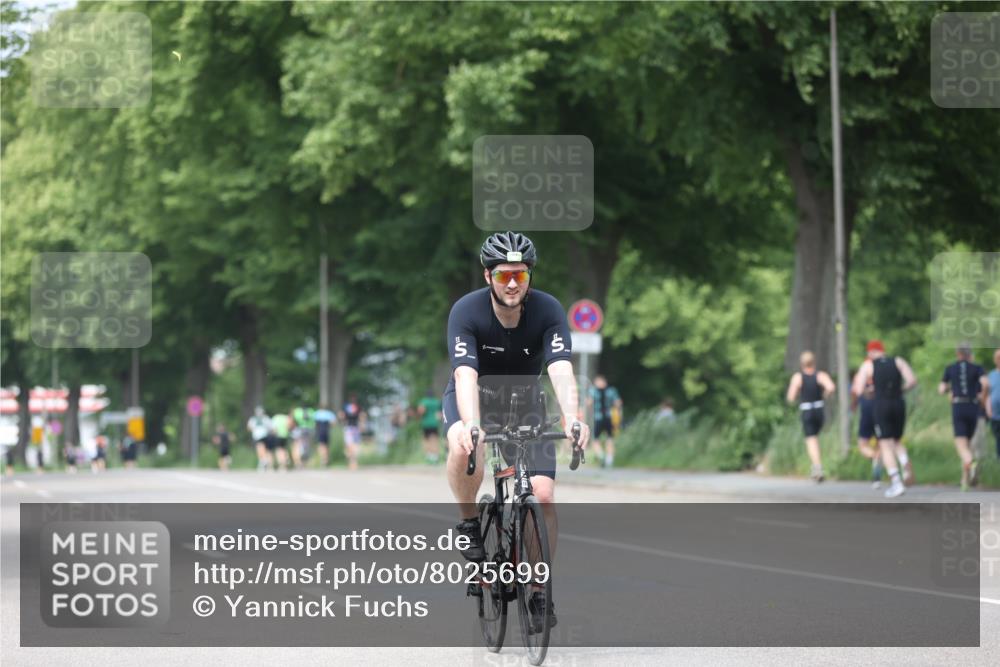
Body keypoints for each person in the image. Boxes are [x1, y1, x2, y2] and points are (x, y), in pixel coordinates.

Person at [444, 231, 591, 634]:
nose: (512, 283)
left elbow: (561, 369)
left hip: (525, 402)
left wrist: (573, 418)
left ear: (530, 278)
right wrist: (472, 426)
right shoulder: (467, 311)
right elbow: (464, 374)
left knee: (541, 494)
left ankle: (540, 588)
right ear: (488, 275)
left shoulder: (548, 310)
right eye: (504, 275)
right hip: (475, 398)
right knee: (460, 444)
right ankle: (470, 523)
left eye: (521, 276)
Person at [852, 340, 917, 498]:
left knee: (885, 444)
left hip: (881, 404)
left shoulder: (868, 365)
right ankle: (904, 461)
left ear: (870, 352)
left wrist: (871, 392)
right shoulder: (898, 361)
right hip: (899, 403)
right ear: (883, 351)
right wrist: (900, 389)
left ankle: (896, 482)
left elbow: (858, 389)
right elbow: (912, 381)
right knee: (896, 440)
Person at [938, 344, 988, 491]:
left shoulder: (950, 368)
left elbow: (941, 389)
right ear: (969, 354)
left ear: (958, 354)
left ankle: (971, 463)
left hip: (958, 406)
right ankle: (965, 480)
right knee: (969, 444)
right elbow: (986, 384)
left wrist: (950, 388)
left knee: (961, 444)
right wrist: (982, 400)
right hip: (973, 407)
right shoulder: (977, 368)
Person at [785, 351, 836, 482]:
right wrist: (825, 395)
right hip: (819, 409)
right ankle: (817, 465)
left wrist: (797, 396)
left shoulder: (798, 377)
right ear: (814, 362)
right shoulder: (820, 375)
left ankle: (817, 467)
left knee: (811, 440)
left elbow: (790, 397)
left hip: (807, 410)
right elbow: (831, 387)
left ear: (801, 363)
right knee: (817, 437)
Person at [851, 367, 883, 489]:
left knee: (862, 444)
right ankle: (877, 475)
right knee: (881, 444)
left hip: (866, 412)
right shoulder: (881, 376)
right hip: (881, 411)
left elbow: (854, 392)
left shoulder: (859, 377)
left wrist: (853, 405)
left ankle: (874, 456)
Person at [587, 375, 622, 468]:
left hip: (598, 417)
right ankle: (609, 460)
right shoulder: (611, 391)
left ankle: (601, 456)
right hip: (608, 417)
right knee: (609, 438)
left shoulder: (592, 391)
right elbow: (618, 403)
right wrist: (617, 413)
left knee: (595, 440)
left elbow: (589, 404)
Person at [340, 394, 365, 471]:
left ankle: (353, 462)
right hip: (352, 427)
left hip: (351, 427)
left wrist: (342, 422)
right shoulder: (356, 406)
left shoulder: (347, 406)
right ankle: (353, 461)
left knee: (352, 445)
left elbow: (341, 416)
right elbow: (362, 416)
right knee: (352, 445)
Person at [417, 389, 443, 464]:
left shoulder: (424, 401)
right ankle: (435, 456)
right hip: (435, 423)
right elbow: (439, 413)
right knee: (435, 440)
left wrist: (420, 416)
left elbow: (421, 411)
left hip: (426, 424)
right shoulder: (436, 401)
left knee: (426, 440)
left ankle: (429, 456)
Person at [247, 406, 272, 472]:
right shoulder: (266, 418)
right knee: (264, 448)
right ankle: (263, 462)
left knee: (259, 448)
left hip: (257, 436)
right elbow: (271, 427)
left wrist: (254, 430)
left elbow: (249, 427)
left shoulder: (253, 419)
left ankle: (263, 460)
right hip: (265, 435)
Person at [988, 348, 1000, 458]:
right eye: (998, 358)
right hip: (995, 414)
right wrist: (988, 409)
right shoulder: (991, 375)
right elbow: (987, 394)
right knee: (997, 437)